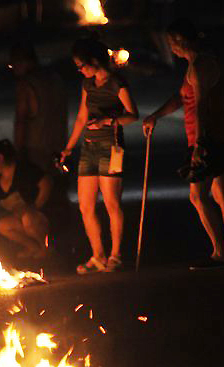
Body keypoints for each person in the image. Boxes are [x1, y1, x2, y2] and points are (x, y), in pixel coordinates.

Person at [142, 19, 224, 269]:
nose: (170, 48)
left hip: (207, 138)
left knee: (198, 196)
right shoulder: (195, 65)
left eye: (171, 43)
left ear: (180, 41)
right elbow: (182, 99)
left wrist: (199, 144)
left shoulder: (200, 66)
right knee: (221, 195)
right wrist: (156, 115)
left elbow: (202, 106)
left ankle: (220, 252)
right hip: (214, 137)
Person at [60, 37, 139, 273]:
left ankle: (115, 256)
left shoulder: (117, 83)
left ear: (94, 61)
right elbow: (82, 118)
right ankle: (97, 255)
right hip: (89, 148)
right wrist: (69, 147)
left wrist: (109, 120)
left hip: (112, 147)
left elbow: (132, 114)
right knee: (85, 206)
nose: (80, 70)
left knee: (112, 203)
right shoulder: (88, 85)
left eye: (81, 65)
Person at [10, 41, 68, 174]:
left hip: (35, 150)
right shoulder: (56, 79)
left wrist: (18, 152)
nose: (13, 69)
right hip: (59, 147)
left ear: (22, 62)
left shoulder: (26, 84)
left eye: (13, 64)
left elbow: (21, 120)